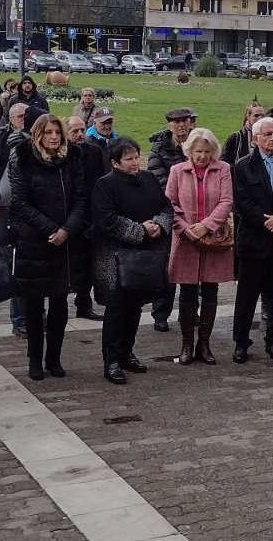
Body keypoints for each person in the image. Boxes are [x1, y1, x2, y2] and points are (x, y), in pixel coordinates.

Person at [91, 137, 173, 384]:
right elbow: (106, 219)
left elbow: (166, 207)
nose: (135, 162)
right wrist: (139, 229)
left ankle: (127, 353)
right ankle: (112, 361)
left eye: (136, 157)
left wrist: (159, 225)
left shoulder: (148, 179)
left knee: (135, 307)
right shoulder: (105, 185)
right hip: (115, 258)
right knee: (116, 310)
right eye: (128, 158)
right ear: (115, 162)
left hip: (144, 257)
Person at [10, 114, 86, 380]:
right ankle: (34, 359)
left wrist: (66, 229)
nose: (53, 137)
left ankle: (53, 358)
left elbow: (81, 198)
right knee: (33, 305)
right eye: (48, 132)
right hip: (34, 240)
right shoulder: (23, 157)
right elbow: (20, 202)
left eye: (57, 132)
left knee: (59, 303)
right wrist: (50, 229)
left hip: (65, 241)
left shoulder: (72, 158)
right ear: (38, 135)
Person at [164, 127, 234, 366]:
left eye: (207, 151)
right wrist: (185, 228)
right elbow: (170, 203)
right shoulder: (177, 171)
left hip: (214, 238)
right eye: (198, 152)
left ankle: (204, 344)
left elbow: (226, 201)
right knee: (187, 291)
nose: (203, 156)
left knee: (211, 290)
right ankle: (186, 344)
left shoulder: (223, 169)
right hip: (186, 240)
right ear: (189, 152)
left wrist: (206, 226)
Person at [231, 116, 273, 363]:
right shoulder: (242, 166)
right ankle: (241, 343)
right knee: (246, 297)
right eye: (268, 134)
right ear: (256, 138)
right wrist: (265, 221)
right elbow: (241, 202)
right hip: (253, 242)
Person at [145, 106, 195, 331]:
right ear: (169, 125)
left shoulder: (196, 144)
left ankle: (189, 312)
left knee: (191, 268)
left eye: (185, 121)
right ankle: (160, 314)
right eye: (177, 122)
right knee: (167, 267)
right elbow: (161, 184)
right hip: (168, 213)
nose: (181, 126)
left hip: (194, 214)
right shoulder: (159, 150)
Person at [65, 115, 106, 320]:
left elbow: (101, 181)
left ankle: (84, 303)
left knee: (88, 262)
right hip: (67, 215)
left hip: (90, 215)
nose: (80, 134)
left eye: (82, 130)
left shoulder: (94, 152)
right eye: (75, 131)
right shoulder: (62, 154)